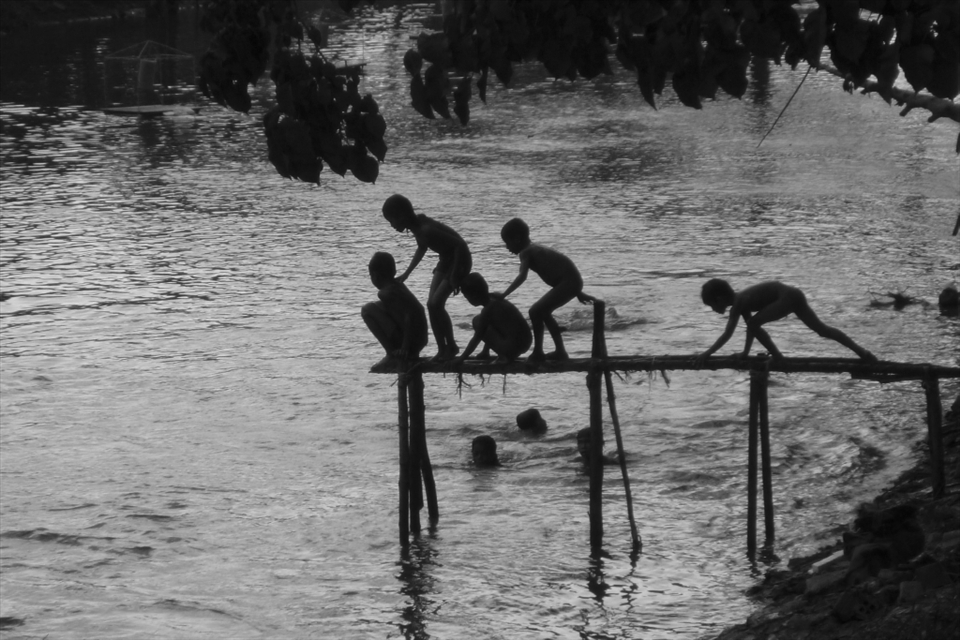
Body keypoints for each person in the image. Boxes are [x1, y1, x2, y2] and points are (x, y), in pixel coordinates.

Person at [694, 279, 877, 365]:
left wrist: (706, 354)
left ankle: (778, 357)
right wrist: (745, 353)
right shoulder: (741, 302)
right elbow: (751, 329)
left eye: (712, 305)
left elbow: (728, 334)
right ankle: (863, 352)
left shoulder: (739, 303)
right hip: (792, 294)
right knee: (822, 330)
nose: (713, 310)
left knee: (754, 324)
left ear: (719, 299)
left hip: (786, 296)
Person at [382, 194, 472, 361]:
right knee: (431, 305)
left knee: (435, 303)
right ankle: (442, 349)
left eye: (392, 221)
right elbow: (422, 248)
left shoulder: (426, 229)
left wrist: (454, 277)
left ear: (402, 216)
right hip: (446, 259)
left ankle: (450, 346)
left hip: (460, 260)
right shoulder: (417, 228)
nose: (392, 225)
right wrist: (406, 274)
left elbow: (460, 246)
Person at [499, 218, 595, 363]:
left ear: (517, 239)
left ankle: (538, 352)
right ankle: (560, 351)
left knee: (535, 311)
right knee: (543, 312)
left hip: (569, 282)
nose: (507, 247)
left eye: (508, 243)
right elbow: (560, 269)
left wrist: (504, 294)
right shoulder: (534, 248)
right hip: (570, 281)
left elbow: (522, 277)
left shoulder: (526, 252)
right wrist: (577, 292)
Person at [361, 251, 429, 364]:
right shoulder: (398, 286)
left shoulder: (385, 293)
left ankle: (390, 352)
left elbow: (409, 316)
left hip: (411, 343)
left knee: (367, 310)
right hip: (420, 340)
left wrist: (405, 348)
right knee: (377, 305)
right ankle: (401, 352)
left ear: (375, 275)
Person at [451, 272, 532, 363]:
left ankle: (505, 356)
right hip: (526, 342)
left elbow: (477, 337)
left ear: (473, 296)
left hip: (513, 346)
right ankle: (486, 352)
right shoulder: (495, 297)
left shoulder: (488, 309)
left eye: (466, 297)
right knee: (481, 319)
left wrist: (462, 358)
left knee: (477, 321)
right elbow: (494, 325)